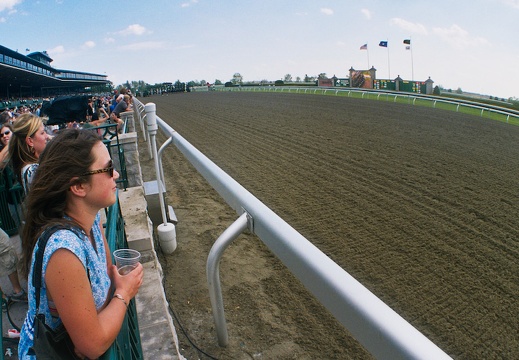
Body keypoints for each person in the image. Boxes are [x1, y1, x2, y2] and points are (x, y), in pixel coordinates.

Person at [18, 128, 143, 359]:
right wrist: (124, 293)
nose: (115, 175)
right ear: (78, 187)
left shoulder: (91, 219)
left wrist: (103, 313)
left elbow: (106, 278)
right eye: (108, 169)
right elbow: (92, 345)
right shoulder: (63, 251)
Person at [8, 113, 50, 194]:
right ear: (30, 141)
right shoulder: (33, 170)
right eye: (42, 133)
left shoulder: (30, 167)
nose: (46, 136)